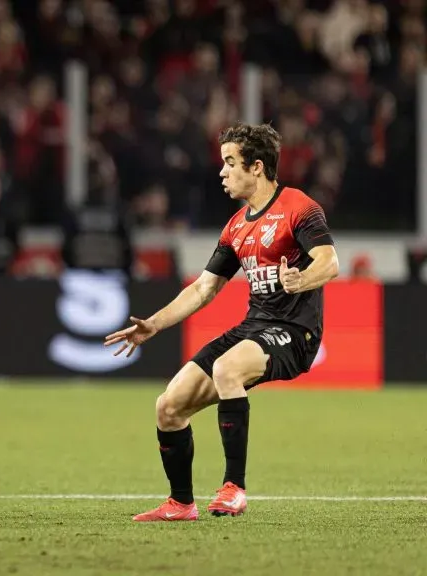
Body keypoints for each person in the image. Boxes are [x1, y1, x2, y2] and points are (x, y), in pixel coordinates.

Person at [104, 123, 339, 521]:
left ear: (258, 168)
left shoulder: (298, 207)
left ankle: (234, 489)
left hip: (295, 331)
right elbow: (203, 289)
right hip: (255, 327)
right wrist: (154, 325)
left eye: (231, 163)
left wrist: (302, 279)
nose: (222, 172)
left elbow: (330, 262)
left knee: (226, 368)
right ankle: (181, 503)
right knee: (168, 406)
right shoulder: (236, 226)